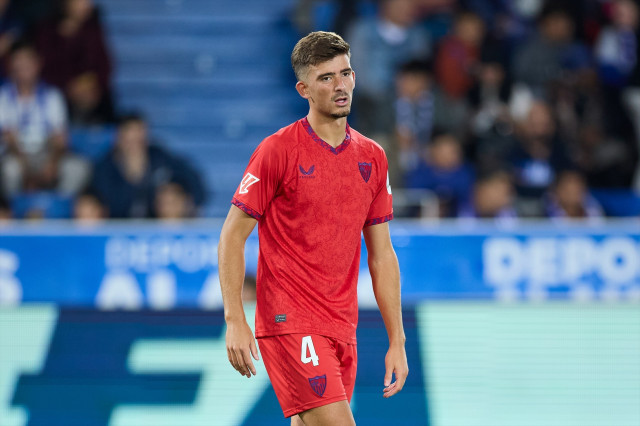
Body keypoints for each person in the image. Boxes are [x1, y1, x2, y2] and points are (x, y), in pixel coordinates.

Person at [218, 32, 408, 425]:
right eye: (326, 78)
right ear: (303, 88)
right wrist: (235, 319)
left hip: (342, 325)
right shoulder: (278, 150)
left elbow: (382, 254)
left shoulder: (373, 158)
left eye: (346, 73)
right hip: (290, 321)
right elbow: (232, 235)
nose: (340, 85)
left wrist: (397, 338)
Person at [0, 41, 90, 197]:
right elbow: (8, 138)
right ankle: (14, 213)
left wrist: (53, 163)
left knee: (78, 168)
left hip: (47, 153)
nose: (24, 68)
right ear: (11, 66)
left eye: (28, 62)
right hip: (15, 155)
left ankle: (56, 211)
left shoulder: (53, 96)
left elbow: (59, 138)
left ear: (37, 64)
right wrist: (26, 169)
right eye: (19, 63)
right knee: (10, 170)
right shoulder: (3, 97)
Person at [91, 113, 205, 218]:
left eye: (138, 139)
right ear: (118, 138)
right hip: (117, 228)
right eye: (129, 140)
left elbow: (194, 182)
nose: (134, 145)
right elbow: (101, 204)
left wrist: (187, 204)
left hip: (158, 226)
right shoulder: (104, 168)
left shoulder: (161, 159)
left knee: (170, 198)